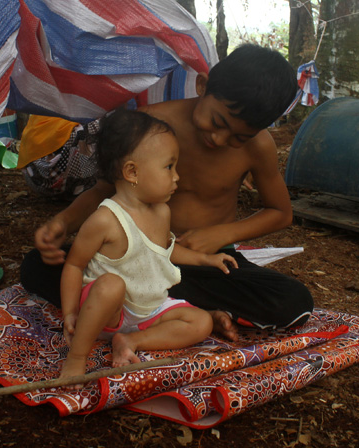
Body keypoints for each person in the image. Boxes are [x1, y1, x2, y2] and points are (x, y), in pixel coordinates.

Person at [22, 43, 313, 338]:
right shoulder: (150, 127)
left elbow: (280, 212)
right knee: (37, 266)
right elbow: (103, 191)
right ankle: (180, 311)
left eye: (240, 136)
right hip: (135, 258)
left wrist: (223, 234)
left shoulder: (258, 146)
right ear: (203, 85)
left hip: (206, 263)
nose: (220, 138)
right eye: (217, 122)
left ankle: (152, 308)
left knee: (294, 301)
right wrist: (64, 222)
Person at [59, 109, 237, 378]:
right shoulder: (105, 219)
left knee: (201, 322)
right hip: (108, 314)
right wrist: (71, 313)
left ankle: (131, 341)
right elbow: (74, 264)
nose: (177, 176)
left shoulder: (162, 211)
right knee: (111, 285)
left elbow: (163, 250)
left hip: (149, 310)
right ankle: (76, 357)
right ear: (132, 172)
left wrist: (205, 259)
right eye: (169, 167)